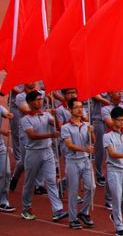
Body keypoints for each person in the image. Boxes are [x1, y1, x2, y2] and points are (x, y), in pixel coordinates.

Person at [20, 90, 68, 222]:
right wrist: (50, 135)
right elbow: (32, 135)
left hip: (47, 152)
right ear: (29, 102)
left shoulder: (46, 115)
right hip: (33, 153)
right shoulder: (25, 119)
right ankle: (26, 208)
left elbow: (57, 125)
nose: (40, 102)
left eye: (41, 99)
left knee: (51, 180)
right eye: (36, 100)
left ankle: (57, 210)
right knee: (29, 182)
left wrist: (57, 116)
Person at [61, 98, 96, 229]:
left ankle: (84, 212)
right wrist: (85, 149)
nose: (80, 109)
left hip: (85, 160)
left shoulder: (86, 125)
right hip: (72, 162)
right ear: (70, 110)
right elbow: (69, 145)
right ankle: (72, 218)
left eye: (81, 107)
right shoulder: (66, 127)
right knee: (73, 191)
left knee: (91, 187)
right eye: (76, 107)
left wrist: (92, 133)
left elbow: (93, 140)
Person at [103, 106, 123, 236]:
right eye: (119, 120)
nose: (122, 122)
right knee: (116, 198)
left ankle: (116, 216)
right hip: (114, 169)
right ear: (112, 120)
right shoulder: (107, 136)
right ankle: (119, 226)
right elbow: (112, 154)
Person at [0, 102, 14, 212]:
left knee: (6, 172)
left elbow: (7, 113)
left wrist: (9, 115)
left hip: (0, 146)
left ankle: (3, 201)